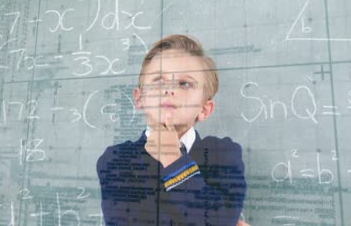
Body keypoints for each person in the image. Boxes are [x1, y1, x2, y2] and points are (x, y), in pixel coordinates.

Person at [97, 34, 248, 225]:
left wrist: (173, 160)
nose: (168, 89)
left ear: (204, 109)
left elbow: (218, 220)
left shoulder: (224, 153)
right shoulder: (116, 159)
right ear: (139, 98)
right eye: (159, 80)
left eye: (185, 84)